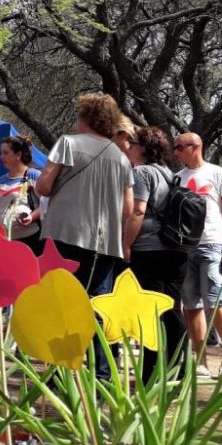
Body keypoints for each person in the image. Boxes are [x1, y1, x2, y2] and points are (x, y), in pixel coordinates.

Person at [36, 93, 133, 378]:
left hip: (65, 232)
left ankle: (62, 371)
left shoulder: (68, 143)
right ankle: (102, 374)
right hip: (105, 243)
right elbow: (128, 208)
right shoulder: (122, 158)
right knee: (97, 305)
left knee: (62, 303)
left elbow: (43, 186)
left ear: (86, 118)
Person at [173, 132, 222, 381]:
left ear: (196, 147)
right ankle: (200, 361)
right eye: (175, 147)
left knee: (215, 302)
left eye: (180, 147)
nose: (176, 151)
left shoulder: (219, 174)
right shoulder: (177, 178)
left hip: (212, 245)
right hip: (184, 247)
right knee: (191, 305)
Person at [123, 126, 187, 381]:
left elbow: (138, 211)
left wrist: (127, 243)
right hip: (175, 250)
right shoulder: (169, 174)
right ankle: (177, 368)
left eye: (132, 143)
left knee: (150, 312)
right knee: (171, 309)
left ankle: (151, 372)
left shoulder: (140, 173)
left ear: (142, 148)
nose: (128, 147)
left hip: (149, 249)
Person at [0, 135, 41, 353]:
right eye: (1, 152)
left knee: (23, 293)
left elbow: (47, 206)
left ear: (18, 154)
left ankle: (23, 345)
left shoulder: (33, 176)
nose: (1, 157)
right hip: (1, 242)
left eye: (5, 152)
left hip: (26, 242)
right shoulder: (1, 179)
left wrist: (33, 216)